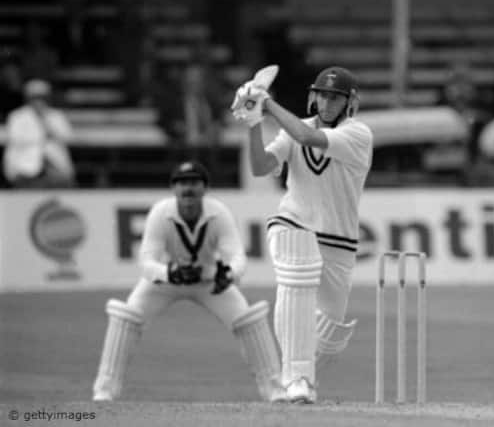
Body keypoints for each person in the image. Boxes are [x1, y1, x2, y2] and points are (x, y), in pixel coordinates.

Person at [230, 66, 373, 403]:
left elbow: (309, 139)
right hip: (291, 223)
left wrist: (267, 105)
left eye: (335, 97)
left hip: (338, 240)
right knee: (296, 280)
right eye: (322, 94)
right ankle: (299, 379)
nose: (327, 102)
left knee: (330, 334)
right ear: (313, 96)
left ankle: (288, 378)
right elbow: (261, 167)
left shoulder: (358, 134)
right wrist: (254, 127)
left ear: (349, 103)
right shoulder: (294, 128)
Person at [92, 161, 285, 402]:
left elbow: (236, 256)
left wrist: (229, 275)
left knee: (249, 320)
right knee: (126, 317)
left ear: (205, 188)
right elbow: (146, 261)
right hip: (167, 280)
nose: (188, 190)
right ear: (174, 189)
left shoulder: (218, 213)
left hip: (208, 279)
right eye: (182, 183)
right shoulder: (161, 213)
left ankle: (275, 390)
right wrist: (169, 273)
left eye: (194, 183)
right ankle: (105, 390)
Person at [3, 79, 75, 188]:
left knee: (60, 184)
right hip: (24, 166)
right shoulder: (17, 116)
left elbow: (68, 137)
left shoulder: (56, 115)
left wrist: (45, 122)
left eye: (42, 97)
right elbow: (15, 138)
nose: (38, 101)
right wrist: (42, 137)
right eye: (35, 97)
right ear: (28, 98)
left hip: (54, 166)